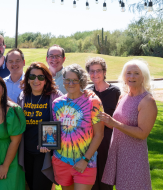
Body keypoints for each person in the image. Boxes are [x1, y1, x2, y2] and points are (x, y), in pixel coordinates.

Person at [100, 60, 157, 190]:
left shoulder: (147, 100)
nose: (131, 76)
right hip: (119, 154)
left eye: (136, 73)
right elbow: (115, 125)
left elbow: (143, 133)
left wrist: (116, 124)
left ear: (143, 77)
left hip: (134, 157)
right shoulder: (123, 96)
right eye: (128, 73)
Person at [50, 64, 104, 190]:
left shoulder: (92, 101)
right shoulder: (56, 103)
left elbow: (99, 134)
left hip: (85, 162)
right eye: (67, 80)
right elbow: (56, 132)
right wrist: (46, 143)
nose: (71, 83)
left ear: (81, 81)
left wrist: (85, 159)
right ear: (63, 81)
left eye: (75, 80)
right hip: (61, 160)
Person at [17, 62, 62, 190]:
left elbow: (63, 122)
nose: (36, 80)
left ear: (46, 79)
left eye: (41, 77)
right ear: (27, 79)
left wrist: (49, 143)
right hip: (25, 151)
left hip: (45, 153)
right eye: (32, 77)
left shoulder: (54, 95)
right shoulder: (23, 96)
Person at [84, 57, 120, 190]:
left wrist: (106, 121)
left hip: (108, 143)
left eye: (98, 70)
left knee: (106, 182)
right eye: (91, 71)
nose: (94, 74)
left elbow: (120, 121)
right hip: (90, 142)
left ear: (104, 72)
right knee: (91, 181)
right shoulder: (87, 92)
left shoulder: (115, 92)